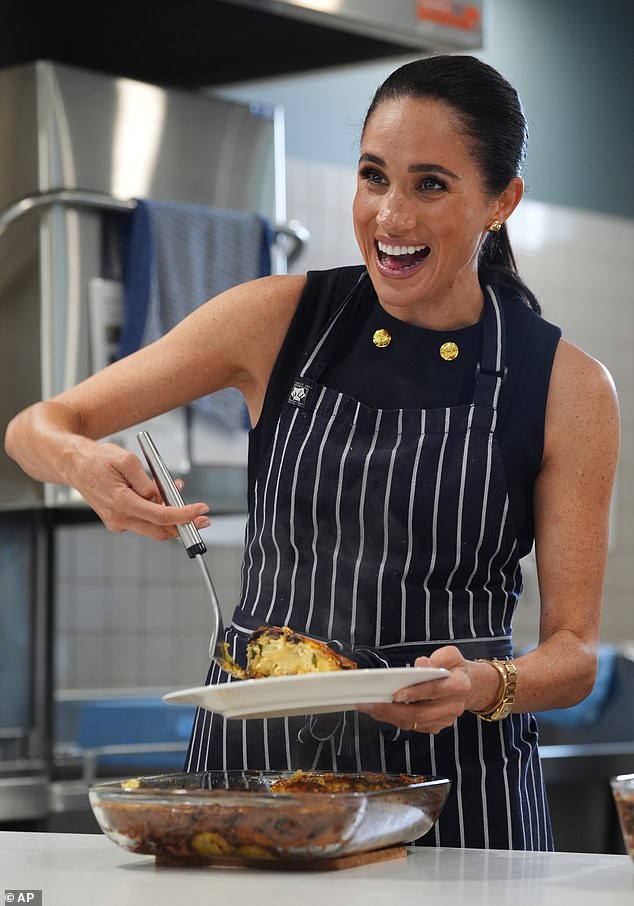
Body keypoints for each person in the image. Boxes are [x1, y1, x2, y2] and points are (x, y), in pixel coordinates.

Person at [4, 55, 619, 851]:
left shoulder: (568, 387)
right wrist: (81, 463)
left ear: (501, 202)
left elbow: (574, 656)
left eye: (430, 184)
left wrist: (482, 685)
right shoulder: (278, 319)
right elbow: (36, 425)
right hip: (251, 773)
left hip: (459, 789)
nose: (390, 216)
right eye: (373, 176)